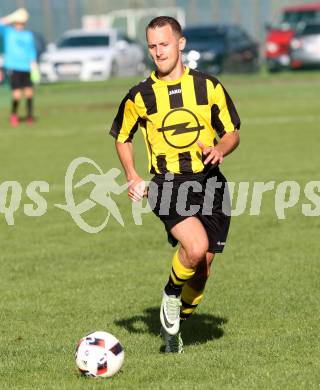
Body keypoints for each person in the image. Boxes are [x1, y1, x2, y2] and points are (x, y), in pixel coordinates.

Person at [109, 16, 240, 353]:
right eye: (152, 46)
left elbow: (232, 132)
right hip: (168, 185)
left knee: (204, 265)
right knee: (194, 249)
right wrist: (132, 176)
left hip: (211, 184)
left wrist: (219, 149)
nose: (157, 52)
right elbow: (122, 137)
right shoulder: (140, 95)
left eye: (163, 44)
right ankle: (170, 293)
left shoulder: (208, 86)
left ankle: (175, 326)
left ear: (180, 44)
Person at [0, 8, 39, 126]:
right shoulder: (8, 32)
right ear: (15, 22)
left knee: (29, 93)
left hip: (26, 67)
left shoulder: (28, 35)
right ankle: (14, 114)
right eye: (18, 22)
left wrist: (34, 65)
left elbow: (31, 50)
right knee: (17, 94)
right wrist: (12, 16)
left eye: (22, 23)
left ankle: (30, 116)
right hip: (14, 67)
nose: (20, 25)